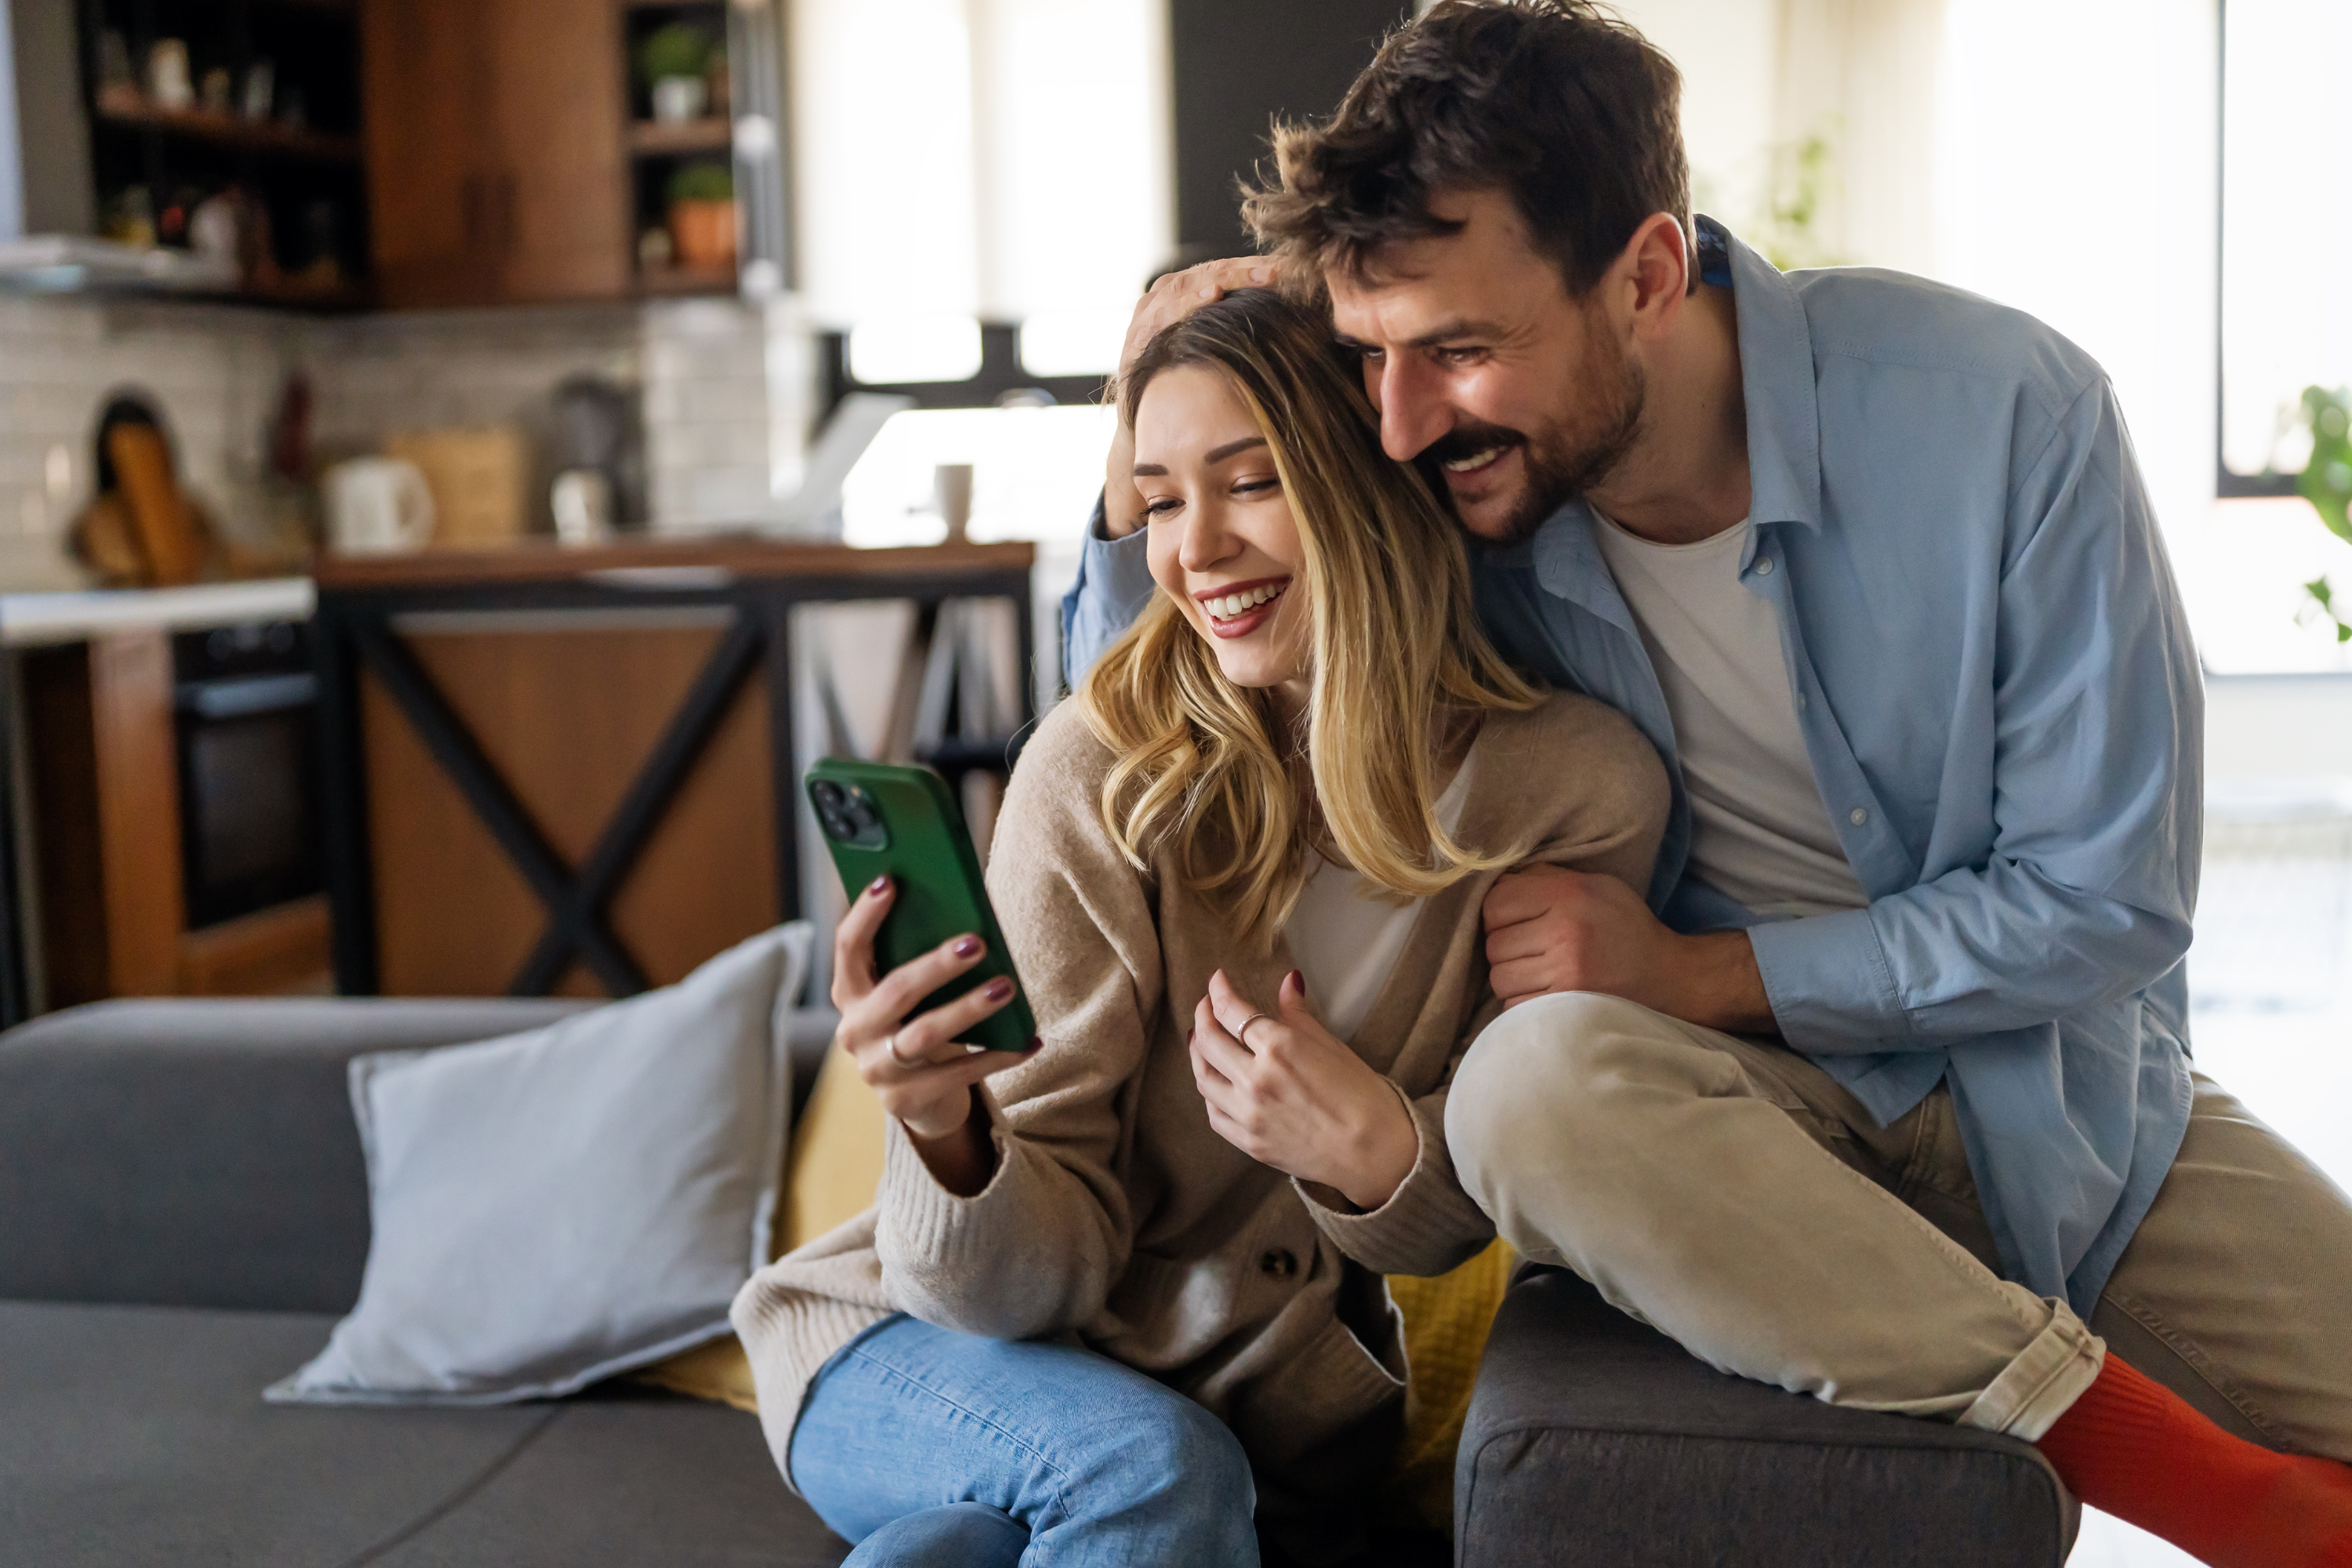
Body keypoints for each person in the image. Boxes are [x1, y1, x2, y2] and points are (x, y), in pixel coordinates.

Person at [1060, 4, 2352, 1563]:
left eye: (1461, 349)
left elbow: (2107, 900)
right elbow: (1163, 675)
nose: (1398, 421)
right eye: (1370, 353)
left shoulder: (2009, 415)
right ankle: (2200, 1489)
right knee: (1525, 1085)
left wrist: (1707, 968)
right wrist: (1174, 377)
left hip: (2051, 1087)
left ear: (1651, 276)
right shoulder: (1445, 483)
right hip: (1721, 1118)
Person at [731, 288, 1668, 1566]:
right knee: (1146, 1469)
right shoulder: (1101, 772)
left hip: (1242, 1428)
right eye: (1162, 500)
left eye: (1251, 481)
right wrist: (941, 1130)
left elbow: (1491, 1193)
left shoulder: (1570, 792)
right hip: (911, 1349)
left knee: (949, 1552)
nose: (1196, 549)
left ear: (1373, 477)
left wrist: (1380, 1150)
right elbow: (1005, 1296)